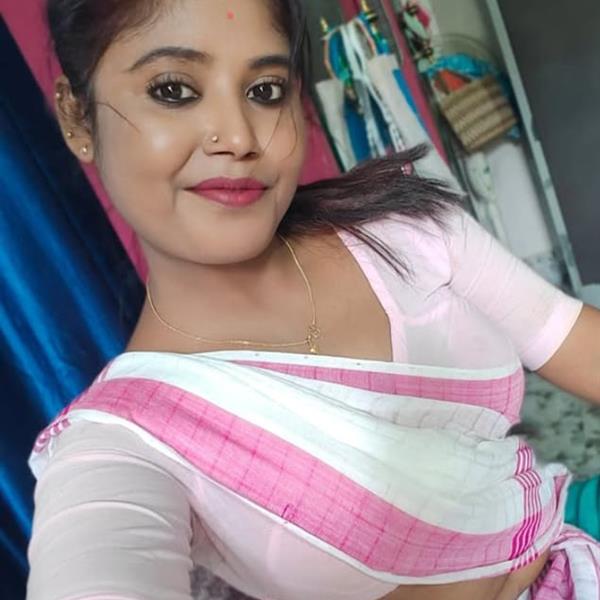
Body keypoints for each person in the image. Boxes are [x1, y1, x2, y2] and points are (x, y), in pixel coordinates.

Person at [26, 1, 600, 599]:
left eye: (265, 90)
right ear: (77, 118)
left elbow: (577, 343)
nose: (240, 137)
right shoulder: (125, 445)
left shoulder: (406, 234)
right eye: (173, 90)